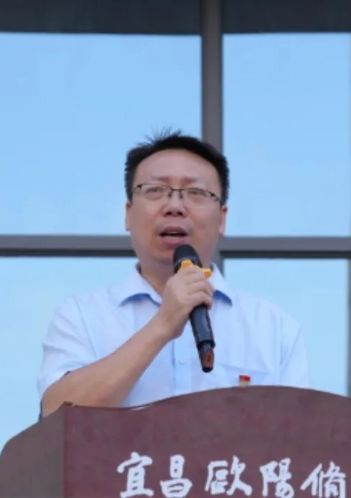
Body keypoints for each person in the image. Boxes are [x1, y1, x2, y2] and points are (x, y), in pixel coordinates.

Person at [38, 131, 308, 416]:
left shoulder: (273, 328)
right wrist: (163, 324)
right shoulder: (82, 316)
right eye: (155, 190)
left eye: (196, 193)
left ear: (222, 218)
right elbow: (56, 415)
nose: (175, 207)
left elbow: (301, 433)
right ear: (128, 214)